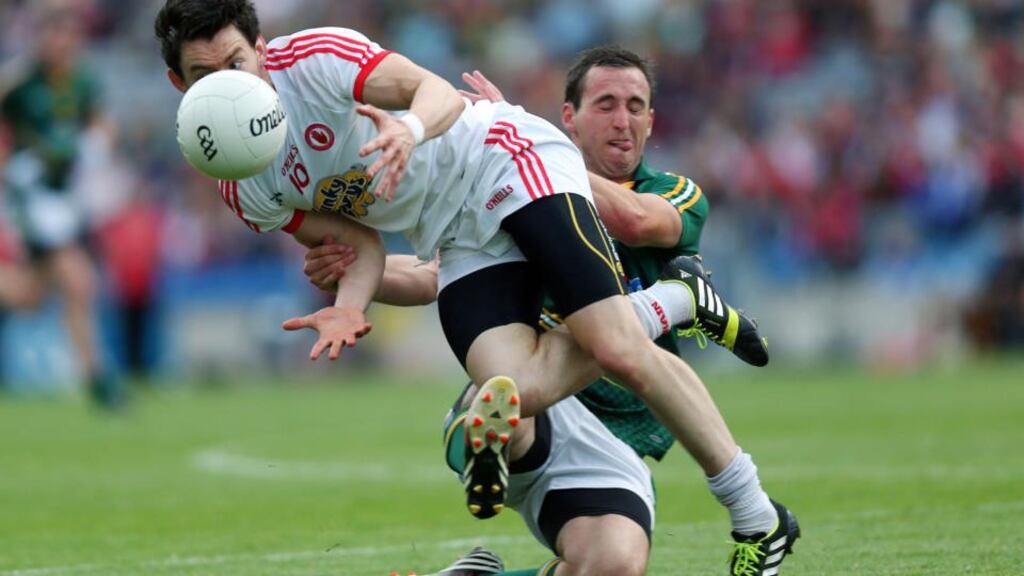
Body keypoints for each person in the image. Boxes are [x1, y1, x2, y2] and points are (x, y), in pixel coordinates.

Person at [155, 3, 790, 574]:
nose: (230, 84)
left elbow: (439, 94)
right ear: (179, 85)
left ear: (261, 48)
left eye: (237, 62)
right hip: (455, 234)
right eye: (207, 76)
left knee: (619, 348)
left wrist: (408, 129)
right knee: (514, 392)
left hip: (504, 156)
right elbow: (364, 248)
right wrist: (347, 307)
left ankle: (756, 514)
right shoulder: (239, 180)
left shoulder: (316, 59)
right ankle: (674, 301)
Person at [309, 47, 799, 576]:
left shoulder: (675, 192)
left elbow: (636, 222)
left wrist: (529, 146)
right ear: (570, 116)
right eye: (606, 104)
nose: (623, 120)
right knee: (506, 393)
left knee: (614, 566)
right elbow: (433, 276)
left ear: (653, 120)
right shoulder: (513, 193)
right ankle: (673, 303)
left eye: (636, 106)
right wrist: (357, 272)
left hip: (617, 435)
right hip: (542, 405)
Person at [0, 2, 122, 407]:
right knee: (79, 280)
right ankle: (98, 381)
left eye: (70, 36)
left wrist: (98, 144)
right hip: (30, 197)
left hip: (63, 197)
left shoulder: (82, 80)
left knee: (33, 294)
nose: (63, 44)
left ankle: (95, 379)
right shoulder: (22, 80)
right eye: (56, 34)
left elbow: (102, 122)